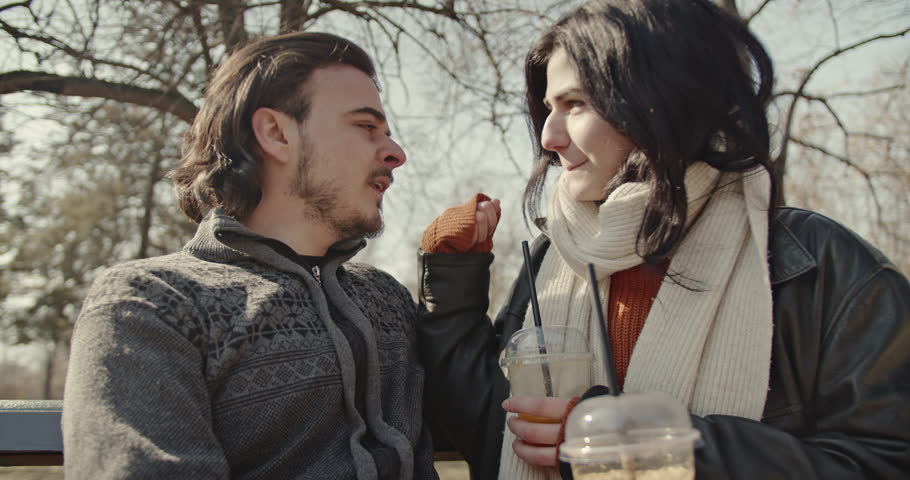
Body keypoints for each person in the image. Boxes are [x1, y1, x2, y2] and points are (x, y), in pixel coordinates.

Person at [416, 0, 910, 479]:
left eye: (575, 104)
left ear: (661, 101)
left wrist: (656, 451)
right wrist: (454, 295)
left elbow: (884, 461)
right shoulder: (555, 258)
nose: (548, 136)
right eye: (548, 107)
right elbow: (494, 433)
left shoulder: (819, 266)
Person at [62, 31, 439, 480]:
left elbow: (483, 404)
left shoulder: (386, 299)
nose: (395, 153)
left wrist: (458, 274)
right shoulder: (151, 303)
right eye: (365, 127)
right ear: (277, 134)